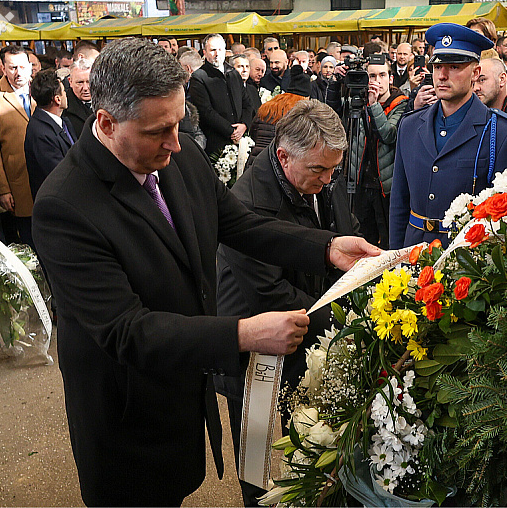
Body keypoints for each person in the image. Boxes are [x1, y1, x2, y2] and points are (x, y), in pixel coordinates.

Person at [31, 38, 379, 506]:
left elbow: (240, 225)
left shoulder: (175, 154)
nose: (176, 143)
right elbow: (127, 331)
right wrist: (243, 333)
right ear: (107, 122)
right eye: (159, 131)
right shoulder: (65, 205)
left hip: (181, 390)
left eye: (180, 122)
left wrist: (327, 247)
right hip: (126, 413)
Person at [216, 99, 359, 506]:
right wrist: (349, 316)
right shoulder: (247, 201)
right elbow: (270, 294)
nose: (329, 179)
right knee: (258, 461)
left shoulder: (318, 177)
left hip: (306, 335)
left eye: (334, 169)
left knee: (310, 442)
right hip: (254, 351)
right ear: (283, 155)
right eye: (319, 170)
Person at [390, 23, 507, 249]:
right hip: (413, 254)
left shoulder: (502, 133)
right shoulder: (410, 125)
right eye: (437, 67)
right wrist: (395, 260)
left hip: (467, 262)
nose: (443, 75)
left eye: (454, 67)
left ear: (475, 73)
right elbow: (399, 204)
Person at [0, 45, 36, 246]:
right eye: (12, 68)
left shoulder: (41, 90)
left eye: (22, 67)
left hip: (47, 177)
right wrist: (2, 189)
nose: (18, 73)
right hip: (18, 183)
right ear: (3, 69)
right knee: (29, 241)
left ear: (30, 66)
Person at [348, 59, 408, 248]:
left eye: (382, 75)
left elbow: (389, 135)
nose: (377, 81)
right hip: (361, 182)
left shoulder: (401, 104)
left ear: (390, 78)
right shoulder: (358, 103)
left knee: (388, 239)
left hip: (386, 186)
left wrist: (374, 106)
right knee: (363, 237)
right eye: (372, 76)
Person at [190, 33, 253, 156]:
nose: (217, 54)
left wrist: (244, 125)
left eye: (220, 49)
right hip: (216, 142)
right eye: (213, 50)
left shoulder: (233, 73)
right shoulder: (199, 77)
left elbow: (247, 103)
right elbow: (206, 111)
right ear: (205, 52)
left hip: (241, 139)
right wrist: (231, 131)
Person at [25, 69, 75, 200]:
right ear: (57, 99)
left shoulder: (65, 122)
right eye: (64, 92)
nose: (66, 95)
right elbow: (60, 173)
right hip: (58, 202)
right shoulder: (40, 133)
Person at [62, 57, 93, 140]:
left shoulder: (107, 101)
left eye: (89, 82)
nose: (85, 88)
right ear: (70, 82)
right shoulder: (63, 107)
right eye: (80, 82)